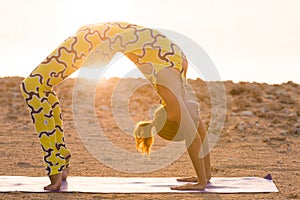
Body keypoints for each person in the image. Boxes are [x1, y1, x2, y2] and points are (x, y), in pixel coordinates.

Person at [20, 22, 211, 191]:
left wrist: (205, 177)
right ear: (171, 118)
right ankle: (56, 165)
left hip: (95, 36)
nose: (184, 116)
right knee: (33, 86)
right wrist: (201, 182)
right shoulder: (169, 89)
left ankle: (59, 162)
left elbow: (198, 130)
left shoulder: (177, 74)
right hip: (91, 40)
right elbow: (194, 136)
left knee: (39, 87)